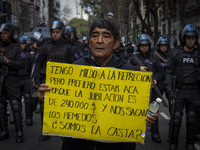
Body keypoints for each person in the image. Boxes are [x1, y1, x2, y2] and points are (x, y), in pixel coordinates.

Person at [38, 18, 158, 150]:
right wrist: (48, 96)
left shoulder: (129, 72)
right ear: (90, 42)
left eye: (106, 36)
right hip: (78, 145)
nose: (100, 40)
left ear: (116, 43)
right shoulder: (75, 68)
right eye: (95, 36)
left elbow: (137, 109)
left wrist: (147, 116)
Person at [33, 20, 74, 141]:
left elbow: (75, 66)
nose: (55, 34)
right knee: (44, 108)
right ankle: (45, 131)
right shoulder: (45, 47)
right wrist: (37, 79)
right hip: (47, 81)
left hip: (64, 84)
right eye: (53, 32)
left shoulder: (69, 47)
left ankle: (63, 133)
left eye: (57, 32)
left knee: (63, 109)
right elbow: (38, 63)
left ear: (61, 32)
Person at [165, 24, 200, 150]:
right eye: (188, 37)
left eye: (193, 38)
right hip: (179, 91)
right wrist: (169, 90)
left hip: (194, 91)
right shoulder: (176, 54)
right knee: (176, 119)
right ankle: (173, 143)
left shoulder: (198, 54)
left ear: (196, 39)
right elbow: (168, 72)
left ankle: (189, 143)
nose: (190, 40)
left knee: (192, 119)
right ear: (184, 38)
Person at [129, 34, 164, 143]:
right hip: (138, 91)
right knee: (137, 113)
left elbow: (161, 71)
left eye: (146, 45)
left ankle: (155, 133)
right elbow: (127, 70)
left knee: (153, 113)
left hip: (152, 90)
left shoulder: (154, 57)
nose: (144, 47)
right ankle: (136, 133)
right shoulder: (134, 58)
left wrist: (156, 80)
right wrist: (138, 68)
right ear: (139, 46)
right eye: (142, 45)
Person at [0, 23, 25, 143]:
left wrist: (8, 61)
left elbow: (21, 64)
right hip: (0, 80)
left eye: (5, 33)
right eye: (1, 33)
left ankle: (19, 132)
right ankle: (4, 131)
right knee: (0, 106)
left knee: (15, 105)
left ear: (10, 34)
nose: (2, 35)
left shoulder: (17, 47)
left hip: (12, 79)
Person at [18, 36, 34, 126]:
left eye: (23, 44)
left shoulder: (29, 55)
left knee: (28, 99)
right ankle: (18, 117)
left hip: (27, 78)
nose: (21, 45)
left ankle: (29, 117)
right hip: (17, 79)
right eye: (20, 44)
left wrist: (32, 79)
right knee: (17, 100)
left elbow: (33, 68)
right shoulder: (15, 54)